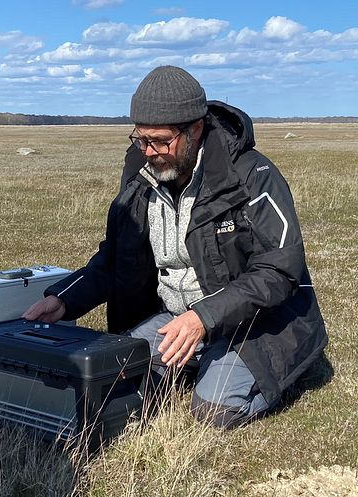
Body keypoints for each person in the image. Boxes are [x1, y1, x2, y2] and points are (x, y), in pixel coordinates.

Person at [23, 66, 328, 428]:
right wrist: (63, 299)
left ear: (195, 130)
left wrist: (204, 318)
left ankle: (285, 369)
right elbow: (114, 258)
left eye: (161, 141)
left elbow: (279, 269)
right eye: (141, 138)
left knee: (214, 411)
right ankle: (196, 361)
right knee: (112, 378)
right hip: (175, 318)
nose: (150, 151)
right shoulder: (140, 176)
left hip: (257, 323)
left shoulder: (252, 176)